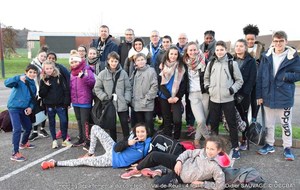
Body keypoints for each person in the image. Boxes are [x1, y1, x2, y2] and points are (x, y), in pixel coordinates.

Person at [120, 136, 230, 190]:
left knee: (157, 185)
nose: (209, 151)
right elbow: (188, 153)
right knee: (155, 155)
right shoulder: (201, 152)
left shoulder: (216, 168)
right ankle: (136, 170)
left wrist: (203, 184)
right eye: (208, 148)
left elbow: (220, 186)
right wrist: (179, 161)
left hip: (180, 177)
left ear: (219, 150)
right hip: (179, 164)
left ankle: (159, 172)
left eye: (212, 149)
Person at [256, 31, 300, 161]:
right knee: (269, 124)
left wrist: (287, 76)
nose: (278, 43)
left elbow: (298, 74)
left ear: (286, 41)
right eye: (276, 41)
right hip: (267, 95)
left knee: (285, 124)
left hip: (284, 96)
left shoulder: (293, 57)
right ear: (272, 42)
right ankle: (269, 144)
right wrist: (259, 95)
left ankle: (287, 147)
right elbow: (260, 77)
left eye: (281, 41)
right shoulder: (266, 56)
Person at [41, 123, 151, 169]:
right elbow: (117, 147)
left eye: (142, 132)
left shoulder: (148, 145)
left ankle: (55, 163)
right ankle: (91, 152)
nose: (140, 134)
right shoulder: (132, 137)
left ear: (147, 132)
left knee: (83, 162)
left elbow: (150, 158)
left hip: (111, 160)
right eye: (138, 132)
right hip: (113, 148)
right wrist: (128, 143)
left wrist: (138, 166)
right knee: (94, 128)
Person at [204, 41, 244, 159]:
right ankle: (214, 148)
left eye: (222, 49)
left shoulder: (232, 64)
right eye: (217, 50)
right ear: (215, 51)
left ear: (226, 50)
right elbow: (206, 78)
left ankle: (235, 147)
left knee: (232, 124)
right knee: (214, 124)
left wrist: (231, 90)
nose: (219, 52)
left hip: (228, 99)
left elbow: (239, 80)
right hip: (214, 99)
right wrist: (208, 88)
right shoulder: (211, 63)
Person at [94, 51, 132, 141]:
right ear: (108, 61)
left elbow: (128, 88)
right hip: (109, 103)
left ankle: (126, 142)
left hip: (121, 103)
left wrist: (126, 99)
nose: (114, 63)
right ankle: (113, 143)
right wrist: (105, 97)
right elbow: (97, 88)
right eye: (112, 61)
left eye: (115, 61)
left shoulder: (123, 73)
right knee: (111, 125)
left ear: (118, 61)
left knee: (124, 124)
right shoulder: (102, 74)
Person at [5, 64, 38, 161]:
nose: (32, 74)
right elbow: (7, 83)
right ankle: (15, 153)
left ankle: (23, 144)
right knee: (17, 129)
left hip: (24, 109)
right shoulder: (19, 80)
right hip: (14, 107)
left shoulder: (33, 86)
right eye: (30, 72)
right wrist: (18, 78)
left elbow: (33, 99)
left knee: (28, 127)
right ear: (26, 72)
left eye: (34, 72)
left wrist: (30, 107)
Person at [183, 42, 210, 148]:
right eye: (190, 50)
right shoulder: (184, 63)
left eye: (195, 49)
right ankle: (208, 138)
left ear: (198, 50)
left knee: (202, 119)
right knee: (200, 120)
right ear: (187, 51)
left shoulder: (205, 61)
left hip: (205, 94)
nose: (193, 52)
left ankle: (196, 140)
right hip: (193, 94)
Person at [39, 60, 72, 148]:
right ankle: (54, 140)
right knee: (52, 122)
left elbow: (66, 90)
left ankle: (65, 139)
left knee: (64, 121)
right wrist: (46, 85)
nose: (49, 70)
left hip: (60, 105)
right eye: (47, 68)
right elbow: (41, 94)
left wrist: (66, 102)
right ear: (44, 69)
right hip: (49, 105)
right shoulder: (43, 79)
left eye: (50, 68)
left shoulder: (59, 77)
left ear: (54, 68)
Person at [158, 46, 187, 140]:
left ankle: (176, 139)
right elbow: (160, 84)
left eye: (175, 54)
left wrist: (177, 97)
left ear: (178, 55)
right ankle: (168, 139)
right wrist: (168, 97)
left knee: (177, 120)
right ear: (168, 54)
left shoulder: (181, 66)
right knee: (167, 120)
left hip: (176, 97)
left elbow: (184, 84)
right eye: (171, 54)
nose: (173, 56)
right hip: (164, 97)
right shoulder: (162, 66)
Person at [233, 39, 257, 150]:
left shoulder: (251, 61)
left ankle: (244, 139)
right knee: (233, 117)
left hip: (244, 95)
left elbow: (252, 79)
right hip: (232, 93)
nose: (238, 48)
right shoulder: (231, 59)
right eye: (237, 46)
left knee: (243, 117)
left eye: (241, 46)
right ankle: (234, 139)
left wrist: (243, 94)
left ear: (245, 47)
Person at [69, 50, 95, 148]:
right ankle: (81, 138)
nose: (74, 64)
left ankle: (88, 140)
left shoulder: (86, 70)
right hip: (75, 101)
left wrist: (83, 77)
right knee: (79, 121)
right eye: (72, 62)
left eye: (75, 61)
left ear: (79, 61)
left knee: (85, 122)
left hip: (85, 101)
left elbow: (93, 83)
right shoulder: (71, 73)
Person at [46, 51, 72, 142]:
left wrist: (68, 98)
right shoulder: (45, 70)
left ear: (55, 59)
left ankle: (65, 133)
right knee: (52, 120)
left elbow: (68, 78)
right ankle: (55, 138)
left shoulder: (61, 68)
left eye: (53, 58)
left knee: (64, 118)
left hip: (62, 99)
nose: (51, 59)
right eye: (49, 58)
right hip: (50, 102)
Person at [131, 53, 158, 136]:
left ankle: (150, 138)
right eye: (138, 60)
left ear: (146, 60)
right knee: (140, 124)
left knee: (149, 122)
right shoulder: (135, 72)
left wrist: (147, 98)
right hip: (137, 103)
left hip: (147, 102)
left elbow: (154, 86)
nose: (141, 61)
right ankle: (141, 140)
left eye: (142, 59)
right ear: (135, 63)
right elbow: (131, 85)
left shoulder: (151, 71)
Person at [243, 24, 265, 123]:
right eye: (248, 39)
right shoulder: (242, 48)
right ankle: (245, 124)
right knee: (245, 103)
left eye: (252, 39)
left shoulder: (262, 49)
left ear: (256, 38)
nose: (250, 41)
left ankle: (254, 121)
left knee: (255, 102)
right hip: (245, 81)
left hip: (257, 81)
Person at [176, 33, 196, 136]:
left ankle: (190, 123)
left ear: (187, 39)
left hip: (190, 84)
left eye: (184, 38)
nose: (182, 40)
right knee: (177, 102)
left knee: (190, 103)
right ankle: (175, 121)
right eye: (180, 38)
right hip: (179, 82)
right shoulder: (175, 49)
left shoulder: (191, 50)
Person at [28, 46, 49, 140]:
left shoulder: (46, 65)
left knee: (44, 110)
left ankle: (42, 129)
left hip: (44, 90)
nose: (43, 58)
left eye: (45, 56)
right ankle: (35, 131)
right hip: (35, 91)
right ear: (38, 55)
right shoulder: (33, 64)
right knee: (36, 110)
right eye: (42, 56)